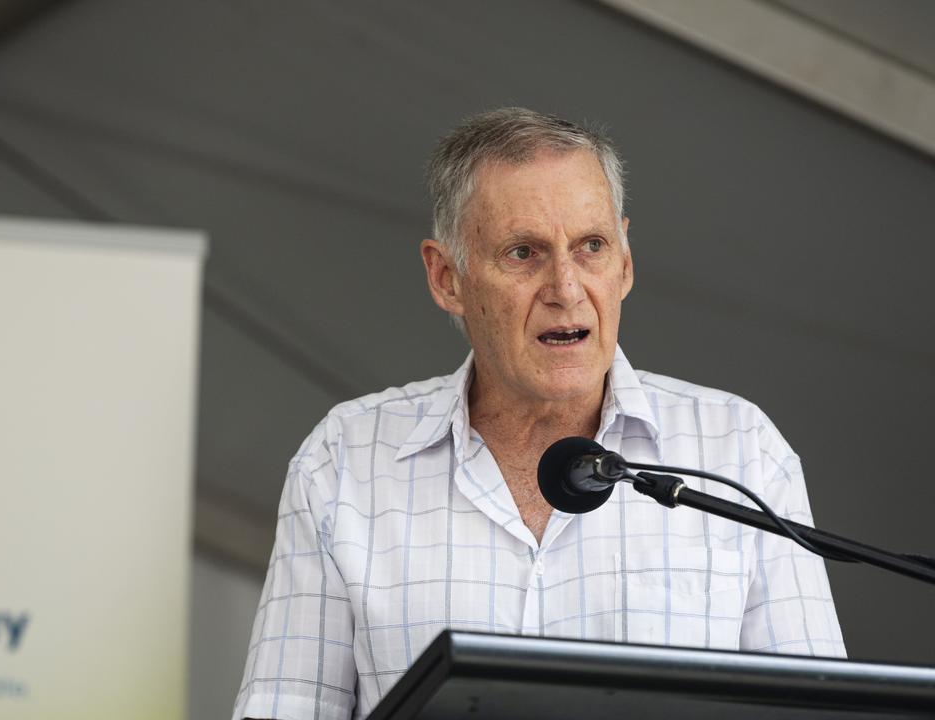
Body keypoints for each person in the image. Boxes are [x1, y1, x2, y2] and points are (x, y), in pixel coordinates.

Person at [232, 107, 845, 720]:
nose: (566, 287)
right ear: (447, 278)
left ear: (625, 263)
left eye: (592, 247)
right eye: (524, 253)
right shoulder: (346, 460)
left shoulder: (739, 450)